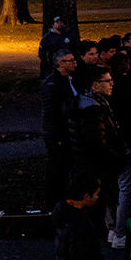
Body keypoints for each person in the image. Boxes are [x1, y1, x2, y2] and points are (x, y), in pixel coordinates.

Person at [68, 65, 127, 240]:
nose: (112, 84)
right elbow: (97, 144)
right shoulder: (93, 110)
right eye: (107, 81)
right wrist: (119, 157)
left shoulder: (88, 103)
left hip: (86, 165)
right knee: (93, 214)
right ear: (95, 84)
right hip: (94, 168)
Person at [54, 173, 114, 260]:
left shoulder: (63, 211)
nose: (97, 197)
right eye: (96, 194)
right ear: (86, 196)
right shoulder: (80, 224)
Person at [42, 49, 78, 211]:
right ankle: (54, 205)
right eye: (70, 60)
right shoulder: (53, 84)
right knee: (58, 171)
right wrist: (58, 136)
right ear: (60, 63)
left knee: (63, 169)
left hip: (65, 133)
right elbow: (52, 114)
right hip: (58, 135)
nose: (74, 62)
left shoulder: (66, 80)